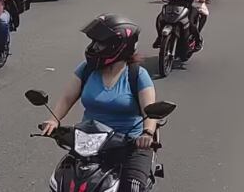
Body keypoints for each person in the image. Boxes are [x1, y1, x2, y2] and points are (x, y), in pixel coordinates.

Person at [40, 15, 157, 192]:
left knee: (134, 187)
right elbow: (67, 98)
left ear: (118, 46)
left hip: (128, 145)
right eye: (94, 42)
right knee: (63, 181)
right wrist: (54, 119)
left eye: (100, 43)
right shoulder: (86, 69)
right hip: (89, 143)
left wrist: (147, 133)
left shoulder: (137, 75)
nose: (93, 47)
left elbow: (150, 112)